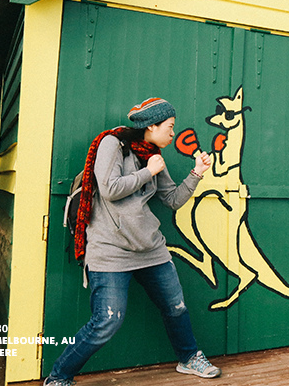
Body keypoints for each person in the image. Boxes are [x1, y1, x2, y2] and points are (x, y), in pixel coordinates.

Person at [43, 97, 221, 386]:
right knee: (107, 321)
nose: (173, 133)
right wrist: (147, 171)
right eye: (170, 127)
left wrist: (196, 173)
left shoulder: (152, 154)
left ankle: (189, 359)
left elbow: (172, 200)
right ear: (151, 125)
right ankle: (59, 376)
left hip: (151, 249)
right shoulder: (112, 144)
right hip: (110, 250)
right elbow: (110, 188)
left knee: (176, 307)